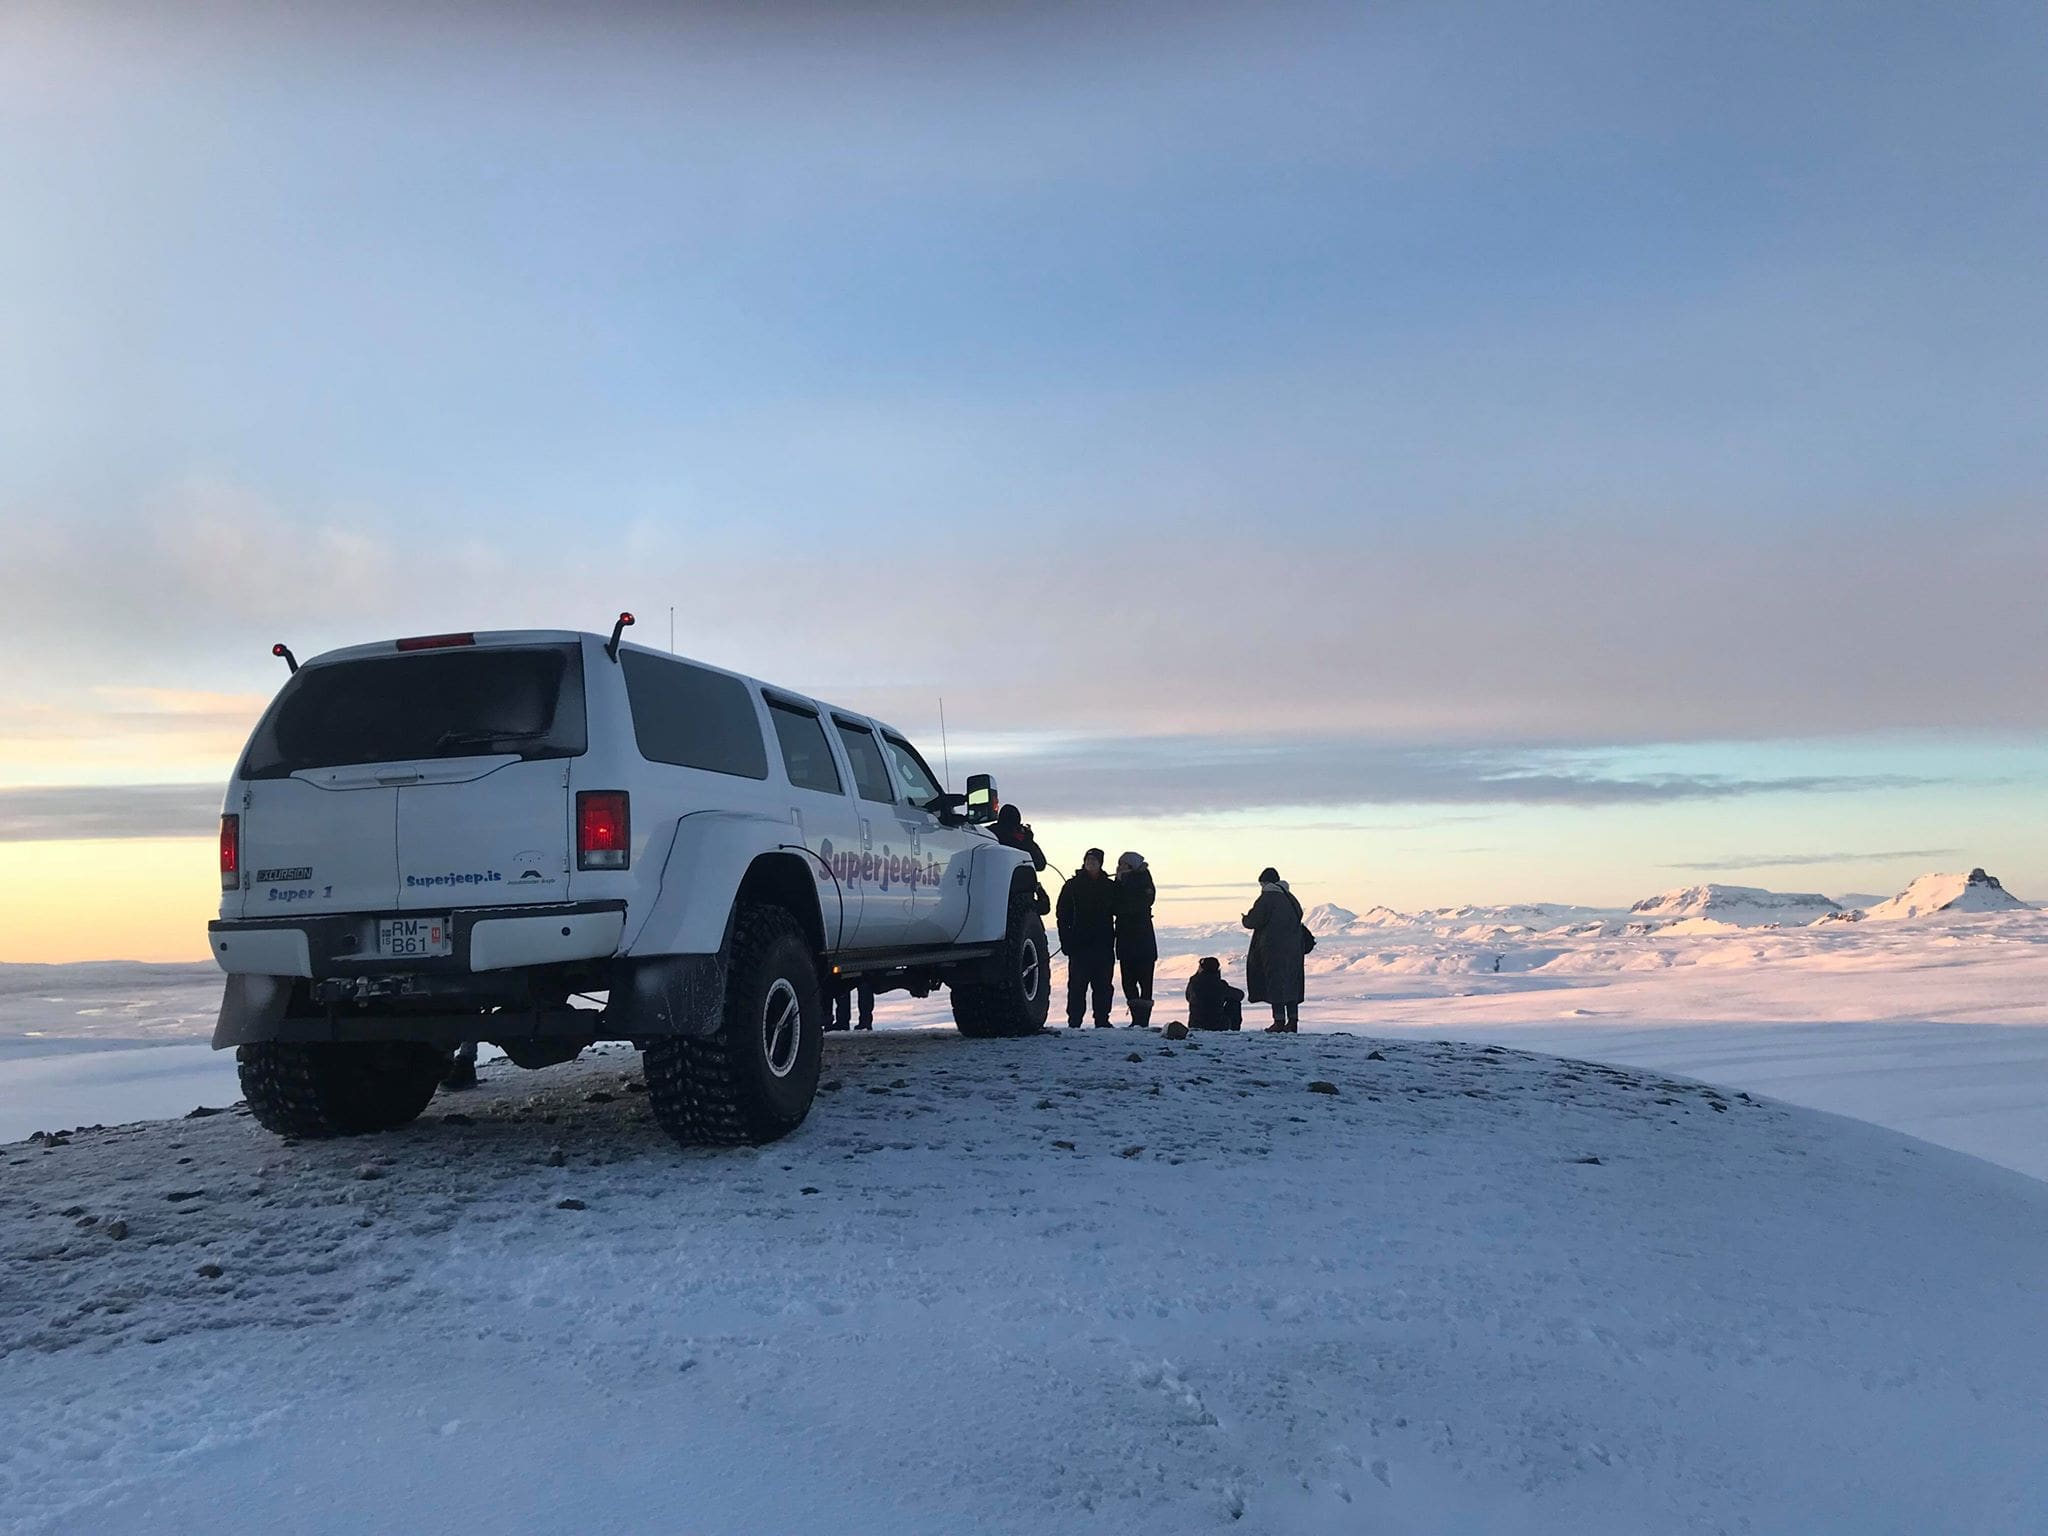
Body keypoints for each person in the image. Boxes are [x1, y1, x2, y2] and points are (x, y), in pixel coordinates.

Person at [1055, 847, 1118, 1028]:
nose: (1091, 864)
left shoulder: (1109, 886)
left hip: (1103, 944)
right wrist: (1065, 941)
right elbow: (1062, 915)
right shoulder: (1072, 886)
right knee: (1077, 986)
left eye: (1095, 861)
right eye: (1088, 860)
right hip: (1079, 945)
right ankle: (1074, 1021)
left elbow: (1121, 908)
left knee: (1103, 986)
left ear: (1100, 863)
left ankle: (1102, 1020)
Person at [1243, 866, 1307, 1032]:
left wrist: (1246, 919)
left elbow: (1254, 921)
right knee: (1291, 983)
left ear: (1264, 882)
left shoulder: (1267, 897)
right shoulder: (1290, 897)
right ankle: (1292, 1022)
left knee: (1275, 983)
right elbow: (1299, 915)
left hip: (1273, 949)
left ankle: (1278, 1022)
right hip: (1294, 949)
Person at [1113, 851, 1157, 1027]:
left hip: (1142, 939)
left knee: (1145, 982)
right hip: (1126, 939)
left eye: (1124, 864)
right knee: (1128, 982)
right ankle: (1136, 1018)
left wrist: (1124, 881)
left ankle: (1142, 1020)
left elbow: (1140, 902)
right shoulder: (1119, 882)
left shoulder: (1143, 880)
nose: (1120, 867)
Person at [992, 802, 1051, 914]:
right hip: (1020, 897)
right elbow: (1040, 863)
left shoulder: (988, 834)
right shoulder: (1020, 839)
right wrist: (1028, 840)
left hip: (993, 893)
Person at [1184, 956, 1244, 1032]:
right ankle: (1234, 1031)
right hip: (1218, 1025)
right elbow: (1240, 995)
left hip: (1196, 1024)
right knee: (1235, 1003)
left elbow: (1188, 997)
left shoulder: (1193, 984)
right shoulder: (1220, 985)